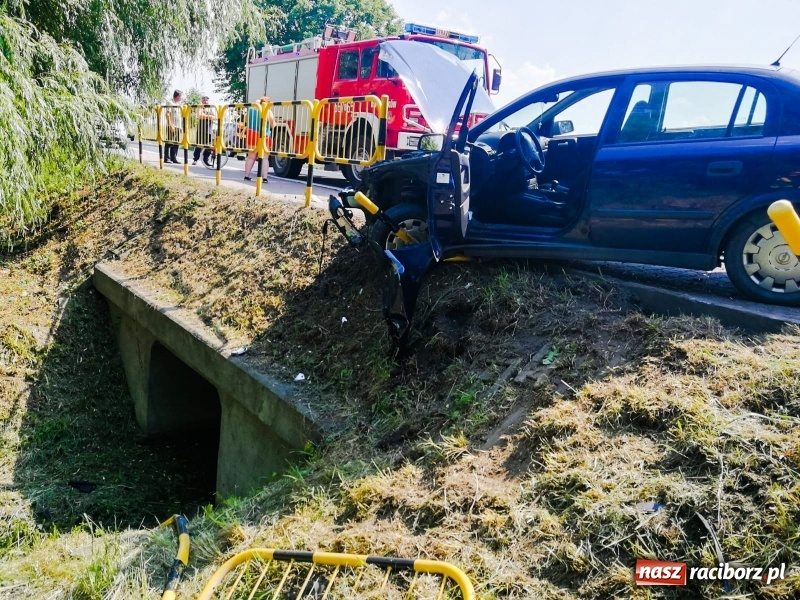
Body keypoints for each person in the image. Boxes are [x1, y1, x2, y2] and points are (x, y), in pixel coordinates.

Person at [243, 96, 275, 181]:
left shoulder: (251, 110)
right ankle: (264, 177)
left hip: (252, 134)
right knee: (264, 158)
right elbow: (273, 125)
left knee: (251, 157)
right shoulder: (268, 111)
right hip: (264, 135)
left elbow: (246, 120)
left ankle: (247, 175)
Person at [193, 95, 216, 166]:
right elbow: (199, 115)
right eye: (204, 100)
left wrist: (206, 116)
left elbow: (215, 117)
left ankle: (206, 159)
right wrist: (209, 116)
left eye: (206, 100)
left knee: (208, 145)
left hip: (209, 129)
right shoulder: (200, 107)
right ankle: (195, 159)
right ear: (201, 101)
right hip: (201, 128)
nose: (205, 101)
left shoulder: (210, 108)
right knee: (199, 145)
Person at [164, 89, 183, 164]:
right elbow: (167, 114)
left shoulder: (178, 104)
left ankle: (174, 158)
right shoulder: (170, 102)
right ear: (177, 96)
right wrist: (170, 125)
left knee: (176, 143)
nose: (181, 98)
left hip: (178, 126)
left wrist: (181, 127)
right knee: (169, 142)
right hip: (172, 125)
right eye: (180, 96)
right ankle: (167, 158)